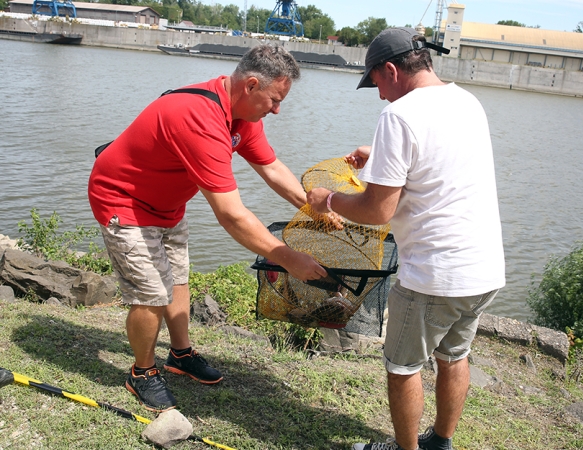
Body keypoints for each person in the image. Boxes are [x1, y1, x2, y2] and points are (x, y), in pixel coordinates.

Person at [88, 45, 328, 413]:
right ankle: (142, 373)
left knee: (178, 277)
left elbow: (272, 167)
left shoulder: (243, 116)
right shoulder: (199, 117)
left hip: (167, 204)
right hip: (123, 199)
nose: (277, 110)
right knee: (151, 292)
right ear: (250, 85)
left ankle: (180, 355)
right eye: (275, 100)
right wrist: (286, 257)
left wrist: (313, 210)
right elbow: (231, 214)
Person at [307, 28, 506, 450]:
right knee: (454, 356)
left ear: (391, 69)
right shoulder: (467, 101)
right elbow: (437, 164)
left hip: (435, 276)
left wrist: (329, 200)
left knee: (402, 366)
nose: (380, 95)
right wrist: (377, 156)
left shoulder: (398, 115)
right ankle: (440, 443)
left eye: (377, 83)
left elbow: (377, 210)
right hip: (484, 270)